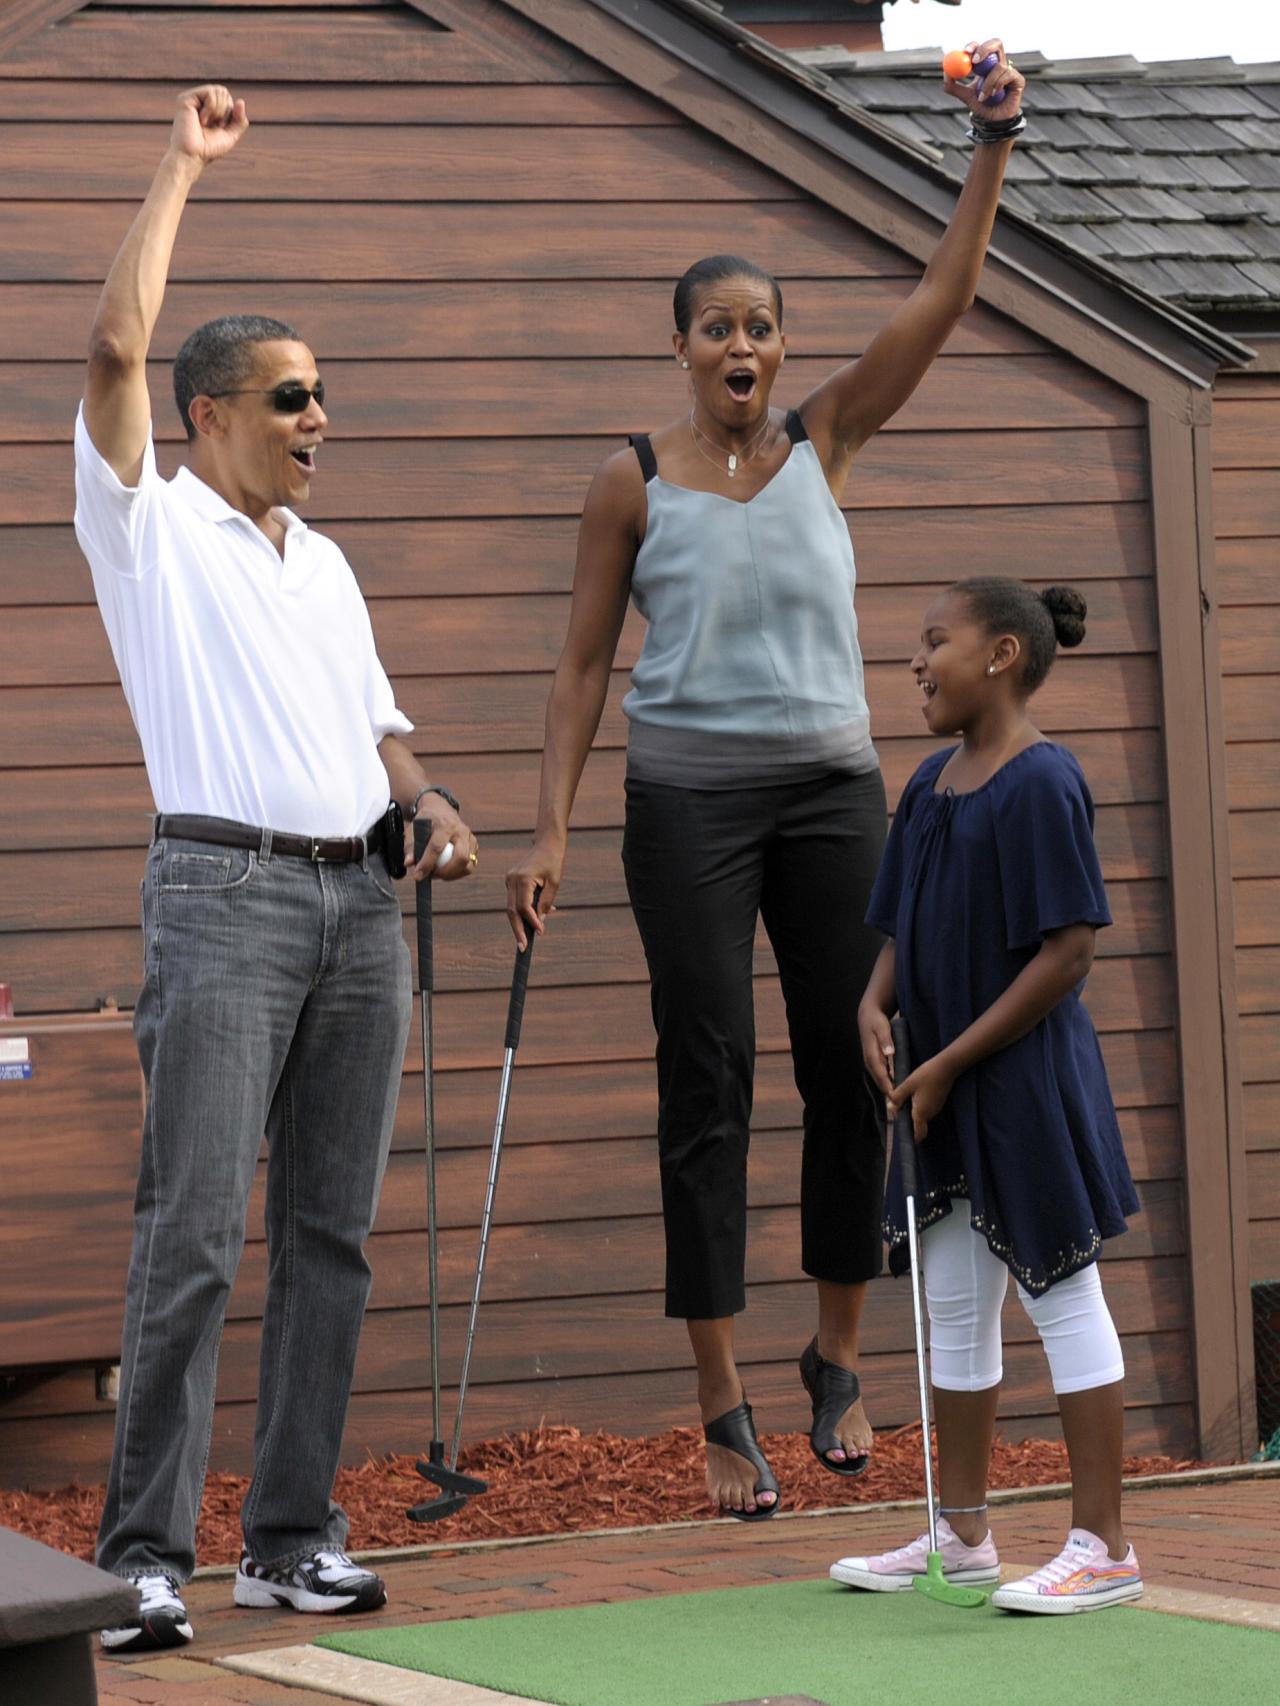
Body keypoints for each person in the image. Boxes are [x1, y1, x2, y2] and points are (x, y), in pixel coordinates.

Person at [506, 45, 1028, 1519]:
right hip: (684, 805)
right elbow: (580, 670)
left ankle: (835, 1354)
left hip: (829, 792)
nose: (741, 345)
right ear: (680, 347)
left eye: (761, 327)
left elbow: (944, 299)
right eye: (716, 326)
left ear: (784, 350)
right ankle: (720, 1395)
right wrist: (547, 829)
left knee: (850, 1058)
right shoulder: (631, 480)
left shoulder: (823, 439)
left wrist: (994, 144)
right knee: (708, 1074)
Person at [76, 85, 479, 1653]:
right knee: (192, 1231)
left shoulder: (330, 564)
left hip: (359, 908)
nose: (321, 418)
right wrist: (181, 164)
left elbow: (380, 729)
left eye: (326, 395)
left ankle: (290, 1540)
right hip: (223, 899)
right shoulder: (148, 528)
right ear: (210, 415)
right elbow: (115, 347)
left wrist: (430, 802)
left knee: (331, 1235)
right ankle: (142, 1554)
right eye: (294, 396)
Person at [829, 576, 1143, 1613]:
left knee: (1062, 1294)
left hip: (1020, 1088)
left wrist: (952, 1060)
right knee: (955, 1303)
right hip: (939, 1088)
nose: (915, 662)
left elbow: (1067, 952)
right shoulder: (928, 783)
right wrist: (873, 1003)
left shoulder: (1043, 781)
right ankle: (961, 1534)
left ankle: (1104, 1545)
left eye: (936, 642)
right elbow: (901, 922)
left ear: (1001, 654)